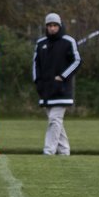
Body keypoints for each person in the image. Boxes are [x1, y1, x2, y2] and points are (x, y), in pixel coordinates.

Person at [32, 12, 80, 156]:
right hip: (46, 91)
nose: (52, 28)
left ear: (60, 26)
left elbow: (77, 61)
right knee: (56, 122)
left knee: (55, 120)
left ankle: (48, 152)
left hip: (62, 90)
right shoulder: (41, 44)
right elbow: (35, 64)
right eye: (49, 26)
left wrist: (63, 76)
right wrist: (38, 82)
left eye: (55, 25)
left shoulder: (68, 41)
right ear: (46, 27)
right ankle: (64, 152)